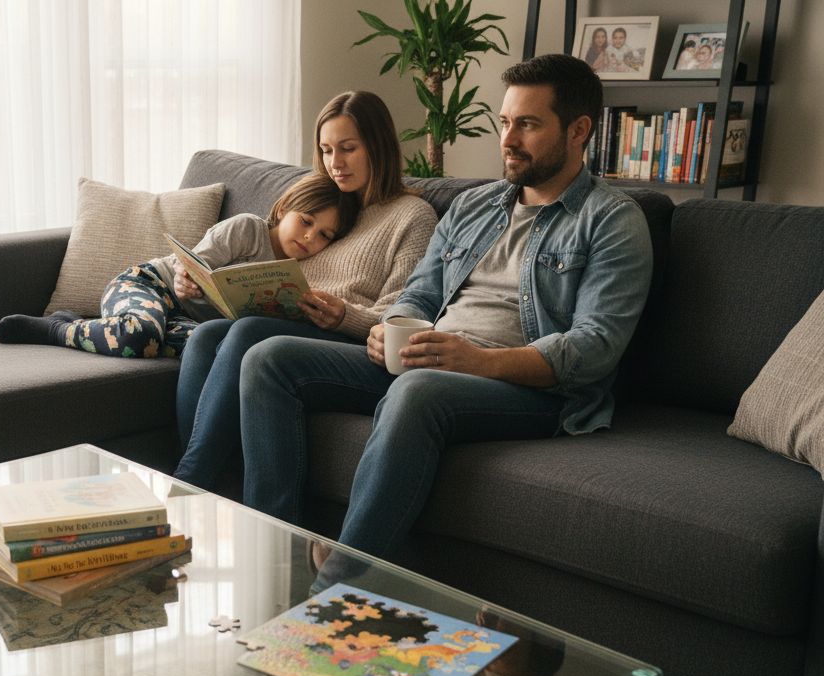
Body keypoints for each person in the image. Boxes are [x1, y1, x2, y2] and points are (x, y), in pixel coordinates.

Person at [236, 54, 653, 559]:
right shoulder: (473, 206)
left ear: (578, 130)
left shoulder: (612, 221)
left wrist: (476, 361)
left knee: (418, 391)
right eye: (504, 122)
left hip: (532, 391)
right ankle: (275, 554)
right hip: (433, 362)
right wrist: (389, 328)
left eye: (528, 124)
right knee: (269, 358)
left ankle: (343, 582)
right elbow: (421, 294)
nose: (508, 139)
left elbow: (595, 348)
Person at [173, 91, 439, 493]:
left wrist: (343, 314)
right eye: (327, 150)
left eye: (348, 149)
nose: (336, 163)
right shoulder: (335, 204)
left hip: (346, 339)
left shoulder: (412, 216)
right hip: (292, 321)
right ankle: (205, 483)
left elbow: (401, 311)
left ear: (378, 146)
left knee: (247, 334)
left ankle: (187, 485)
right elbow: (270, 233)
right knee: (208, 335)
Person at [0, 172, 358, 358]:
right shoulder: (247, 228)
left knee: (210, 346)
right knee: (140, 334)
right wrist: (186, 281)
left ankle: (98, 328)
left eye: (324, 235)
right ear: (283, 209)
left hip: (185, 321)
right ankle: (60, 330)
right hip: (149, 285)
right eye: (306, 221)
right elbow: (193, 264)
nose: (311, 239)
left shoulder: (302, 271)